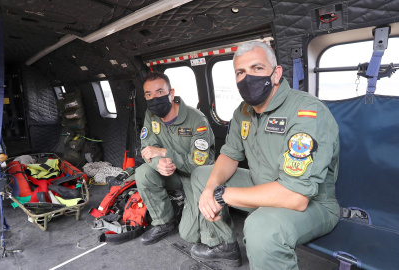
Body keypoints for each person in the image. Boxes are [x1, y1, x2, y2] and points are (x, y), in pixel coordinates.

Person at [188, 41, 340, 269]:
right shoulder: (243, 111)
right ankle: (224, 245)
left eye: (257, 68)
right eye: (241, 72)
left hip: (313, 203)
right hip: (263, 184)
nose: (248, 78)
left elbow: (296, 197)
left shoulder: (306, 111)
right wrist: (211, 188)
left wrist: (222, 196)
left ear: (276, 73)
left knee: (261, 228)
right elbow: (230, 155)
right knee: (202, 175)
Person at [136, 72, 215, 245]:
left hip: (195, 179)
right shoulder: (151, 115)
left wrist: (166, 153)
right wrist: (159, 164)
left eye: (159, 92)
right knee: (143, 173)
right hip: (172, 174)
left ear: (171, 93)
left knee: (189, 236)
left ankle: (191, 205)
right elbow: (147, 149)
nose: (154, 98)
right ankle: (163, 221)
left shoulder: (196, 120)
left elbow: (200, 165)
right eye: (149, 94)